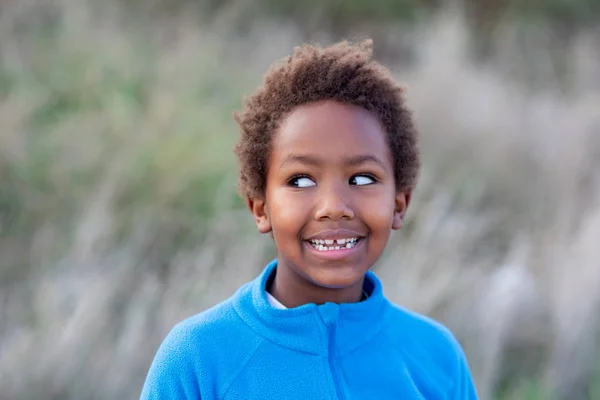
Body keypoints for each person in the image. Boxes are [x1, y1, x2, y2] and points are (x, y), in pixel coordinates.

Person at [140, 39, 478, 399]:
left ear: (399, 203)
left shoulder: (436, 356)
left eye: (362, 178)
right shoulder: (198, 359)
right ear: (260, 207)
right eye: (300, 180)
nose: (333, 206)